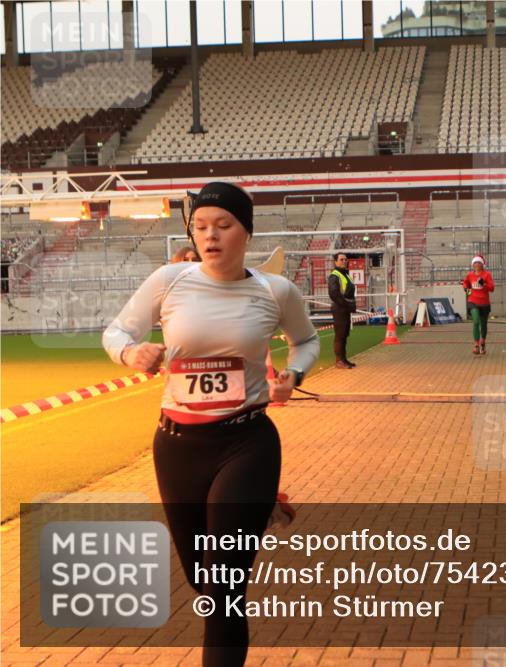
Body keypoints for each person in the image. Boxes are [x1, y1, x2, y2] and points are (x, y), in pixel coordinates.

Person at [102, 182, 319, 667]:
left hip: (247, 442)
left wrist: (294, 374)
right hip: (177, 446)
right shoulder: (168, 281)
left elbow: (306, 340)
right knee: (202, 580)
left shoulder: (274, 290)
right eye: (200, 227)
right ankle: (258, 510)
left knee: (223, 587)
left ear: (246, 232)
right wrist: (130, 352)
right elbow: (116, 331)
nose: (210, 235)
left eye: (223, 225)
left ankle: (253, 502)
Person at [327, 252, 357, 369]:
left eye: (345, 259)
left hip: (345, 308)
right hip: (340, 308)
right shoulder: (334, 276)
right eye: (341, 259)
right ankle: (339, 361)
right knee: (340, 335)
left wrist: (351, 306)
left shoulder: (346, 275)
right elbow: (334, 294)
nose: (344, 261)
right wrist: (346, 305)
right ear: (335, 262)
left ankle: (343, 359)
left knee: (344, 334)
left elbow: (349, 293)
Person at [462, 255, 495, 355]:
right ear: (472, 265)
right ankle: (476, 344)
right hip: (473, 301)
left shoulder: (487, 275)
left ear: (482, 264)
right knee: (476, 321)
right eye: (475, 263)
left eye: (479, 263)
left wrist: (484, 284)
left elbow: (492, 288)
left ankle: (483, 342)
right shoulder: (470, 275)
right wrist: (467, 290)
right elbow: (466, 284)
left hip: (484, 303)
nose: (476, 264)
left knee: (484, 325)